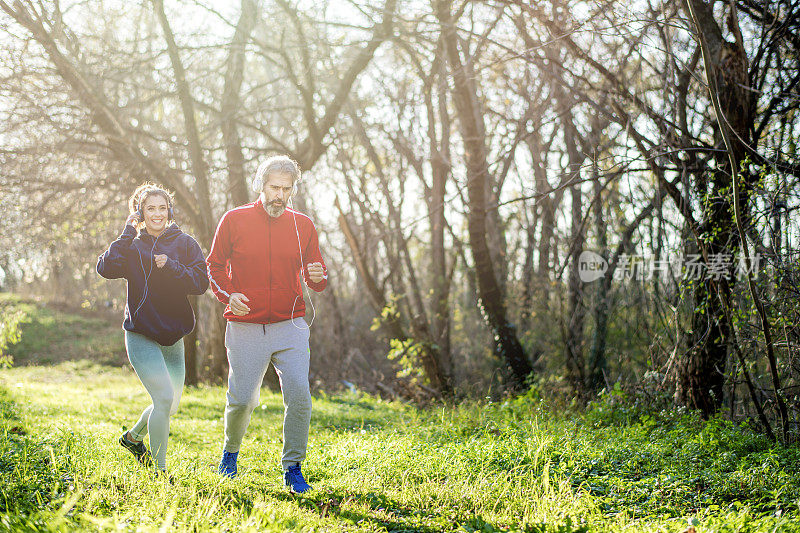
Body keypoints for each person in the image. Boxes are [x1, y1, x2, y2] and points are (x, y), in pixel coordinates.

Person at [206, 155, 328, 493]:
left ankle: (293, 467)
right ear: (262, 185)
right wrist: (228, 295)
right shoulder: (235, 220)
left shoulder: (302, 225)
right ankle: (230, 453)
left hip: (291, 325)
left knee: (300, 397)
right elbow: (213, 267)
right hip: (246, 325)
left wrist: (318, 277)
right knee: (243, 399)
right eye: (274, 187)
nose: (280, 195)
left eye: (286, 189)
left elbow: (315, 275)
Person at [97, 183, 208, 477]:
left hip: (173, 337)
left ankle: (133, 438)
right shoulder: (132, 245)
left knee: (169, 406)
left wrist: (172, 266)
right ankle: (160, 473)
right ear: (140, 213)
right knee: (162, 400)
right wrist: (126, 232)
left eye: (162, 208)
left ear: (169, 211)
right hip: (141, 334)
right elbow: (105, 268)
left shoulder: (185, 243)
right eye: (150, 209)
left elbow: (201, 283)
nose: (157, 214)